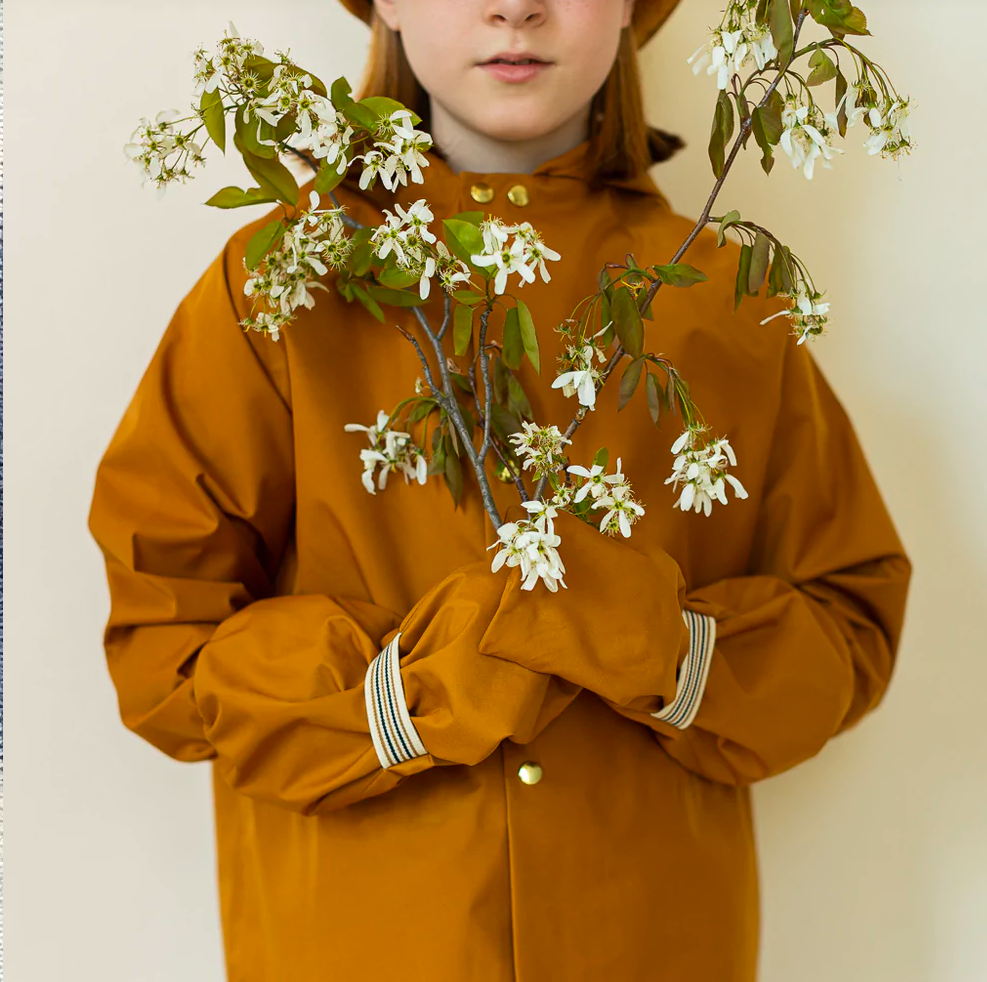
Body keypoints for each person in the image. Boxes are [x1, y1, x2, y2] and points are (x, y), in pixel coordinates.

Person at [87, 1, 912, 979]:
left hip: (653, 942)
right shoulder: (282, 287)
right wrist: (403, 691)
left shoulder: (725, 297)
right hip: (358, 942)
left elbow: (850, 622)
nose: (514, 6)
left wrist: (664, 644)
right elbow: (163, 647)